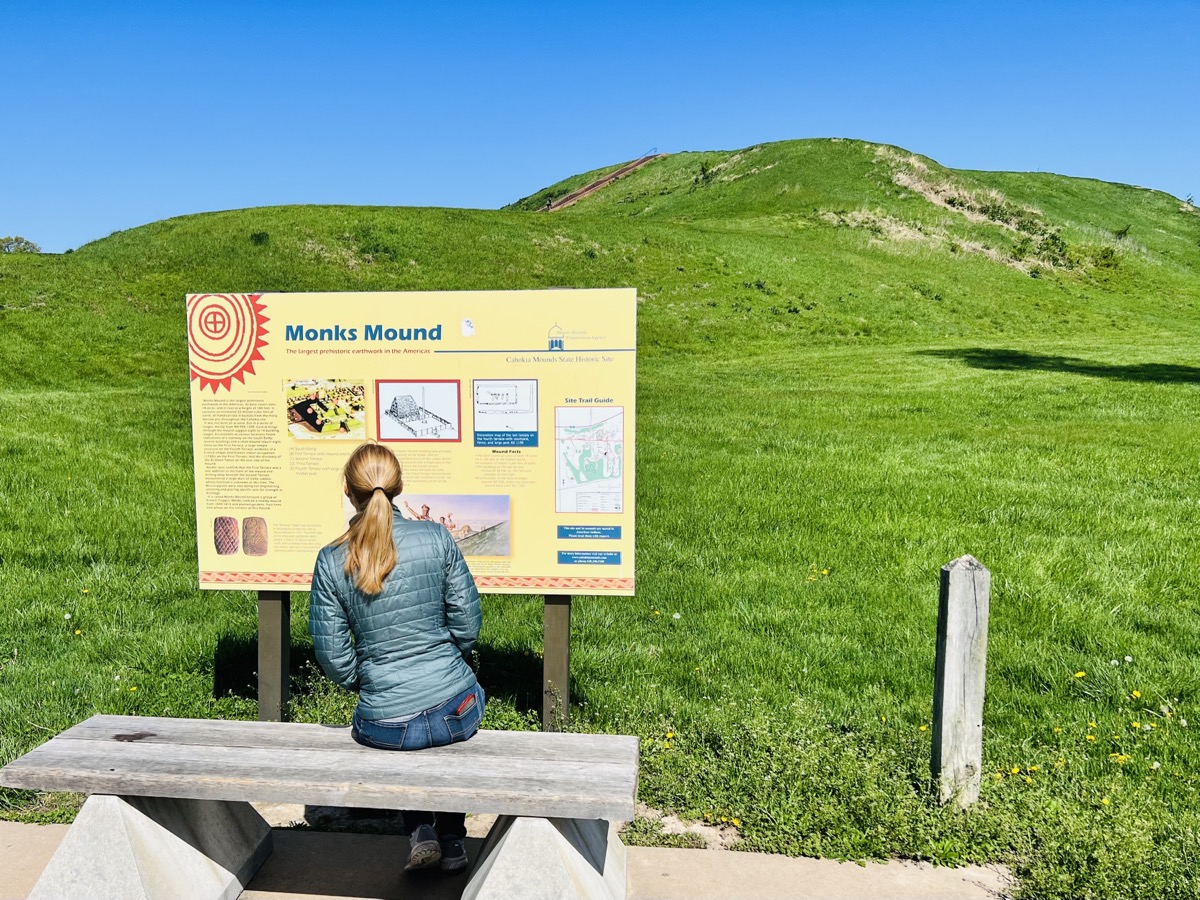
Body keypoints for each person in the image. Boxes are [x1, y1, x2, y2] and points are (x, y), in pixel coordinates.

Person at [309, 443, 484, 874]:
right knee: (438, 732)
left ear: (348, 491)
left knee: (406, 735)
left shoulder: (332, 560)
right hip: (456, 708)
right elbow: (468, 624)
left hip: (384, 722)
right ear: (400, 486)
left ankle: (420, 830)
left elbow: (333, 656)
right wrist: (447, 661)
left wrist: (369, 681)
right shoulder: (437, 537)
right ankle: (452, 839)